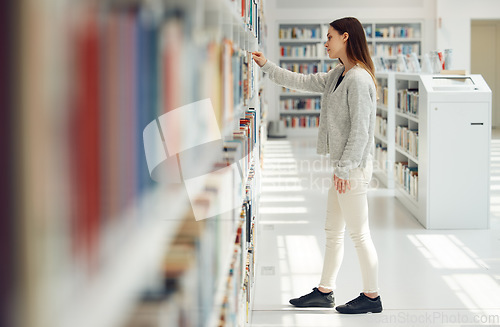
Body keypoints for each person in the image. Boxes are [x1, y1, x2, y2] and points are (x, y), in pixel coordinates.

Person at [252, 17, 382, 314]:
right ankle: (325, 291)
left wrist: (344, 169)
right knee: (333, 231)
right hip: (342, 167)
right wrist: (266, 65)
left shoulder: (359, 79)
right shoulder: (339, 73)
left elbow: (361, 131)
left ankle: (372, 297)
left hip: (353, 170)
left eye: (330, 37)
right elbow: (302, 81)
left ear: (346, 38)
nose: (325, 42)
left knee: (359, 234)